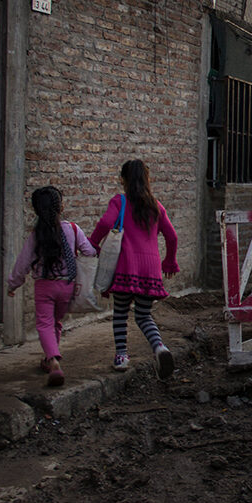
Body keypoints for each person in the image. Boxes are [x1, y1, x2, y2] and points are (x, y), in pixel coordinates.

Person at [89, 159, 179, 378]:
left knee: (120, 313)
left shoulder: (119, 202)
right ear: (147, 179)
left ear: (123, 180)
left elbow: (104, 224)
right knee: (143, 315)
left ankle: (121, 356)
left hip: (125, 267)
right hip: (150, 270)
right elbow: (172, 236)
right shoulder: (156, 206)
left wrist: (92, 244)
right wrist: (170, 261)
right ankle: (160, 348)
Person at [7, 186, 96, 387]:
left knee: (44, 324)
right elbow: (89, 251)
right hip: (67, 286)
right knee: (56, 322)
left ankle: (54, 360)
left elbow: (22, 264)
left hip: (44, 286)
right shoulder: (73, 229)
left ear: (37, 210)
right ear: (60, 206)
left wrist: (13, 285)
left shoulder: (36, 235)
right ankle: (49, 358)